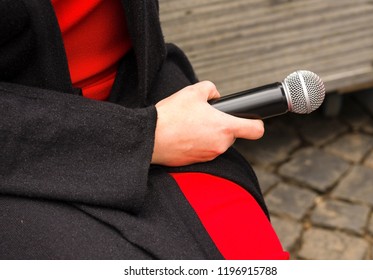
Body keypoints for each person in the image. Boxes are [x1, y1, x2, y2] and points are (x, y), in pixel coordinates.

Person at [0, 0, 289, 259]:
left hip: (144, 95)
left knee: (250, 253)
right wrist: (147, 138)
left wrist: (154, 129)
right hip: (26, 150)